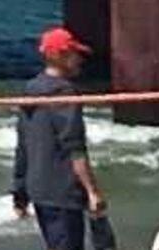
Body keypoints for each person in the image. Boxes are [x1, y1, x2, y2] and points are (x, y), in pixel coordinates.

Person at [12, 27, 109, 250]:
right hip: (63, 191)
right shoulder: (65, 93)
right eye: (74, 54)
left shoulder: (30, 90)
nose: (79, 60)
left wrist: (19, 190)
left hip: (38, 188)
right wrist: (92, 191)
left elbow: (22, 145)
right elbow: (74, 147)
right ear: (59, 56)